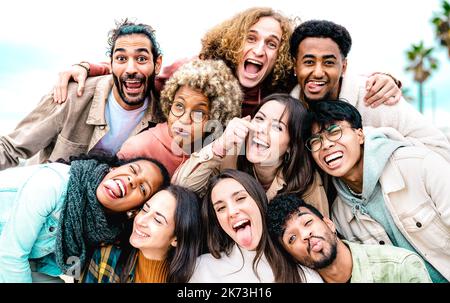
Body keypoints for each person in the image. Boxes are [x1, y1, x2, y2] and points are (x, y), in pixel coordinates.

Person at [53, 8, 400, 117]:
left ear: (280, 57)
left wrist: (385, 78)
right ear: (234, 43)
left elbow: (326, 70)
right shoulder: (197, 71)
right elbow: (142, 74)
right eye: (251, 38)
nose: (259, 50)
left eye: (271, 44)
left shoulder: (282, 89)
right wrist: (89, 67)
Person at [302, 100, 450, 282]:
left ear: (360, 135)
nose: (325, 145)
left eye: (334, 132)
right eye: (316, 141)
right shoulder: (340, 215)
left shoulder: (420, 165)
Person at [0, 19, 165, 171]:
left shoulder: (165, 114)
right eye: (121, 58)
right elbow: (9, 148)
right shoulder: (70, 96)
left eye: (141, 59)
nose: (131, 69)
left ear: (157, 64)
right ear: (111, 63)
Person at [290, 20, 450, 161]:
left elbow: (440, 150)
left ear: (343, 67)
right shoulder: (287, 110)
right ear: (295, 65)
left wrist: (373, 144)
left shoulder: (376, 97)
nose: (318, 72)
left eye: (329, 63)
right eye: (309, 62)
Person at [0, 153, 170, 283]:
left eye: (142, 188)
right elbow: (10, 256)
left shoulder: (106, 231)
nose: (132, 180)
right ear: (113, 168)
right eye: (133, 170)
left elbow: (42, 266)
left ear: (133, 211)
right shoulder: (54, 183)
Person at [173, 93, 329, 216]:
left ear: (291, 145)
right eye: (259, 119)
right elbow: (182, 189)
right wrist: (219, 146)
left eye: (277, 127)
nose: (261, 129)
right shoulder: (228, 154)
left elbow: (319, 232)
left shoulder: (306, 179)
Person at [189, 169, 322, 283]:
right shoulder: (202, 270)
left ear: (259, 201)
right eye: (221, 208)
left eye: (240, 199)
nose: (232, 212)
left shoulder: (304, 275)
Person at [117, 58, 242, 177]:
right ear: (169, 103)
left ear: (215, 119)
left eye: (199, 113)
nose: (184, 120)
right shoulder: (137, 148)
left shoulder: (214, 153)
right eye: (179, 106)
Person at [266, 194, 432, 283]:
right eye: (292, 238)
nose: (305, 235)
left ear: (329, 224)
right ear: (291, 257)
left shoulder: (401, 266)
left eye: (307, 222)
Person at [82, 185, 202, 283]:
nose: (140, 220)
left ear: (177, 239)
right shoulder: (107, 257)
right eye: (145, 209)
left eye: (157, 220)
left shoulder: (196, 278)